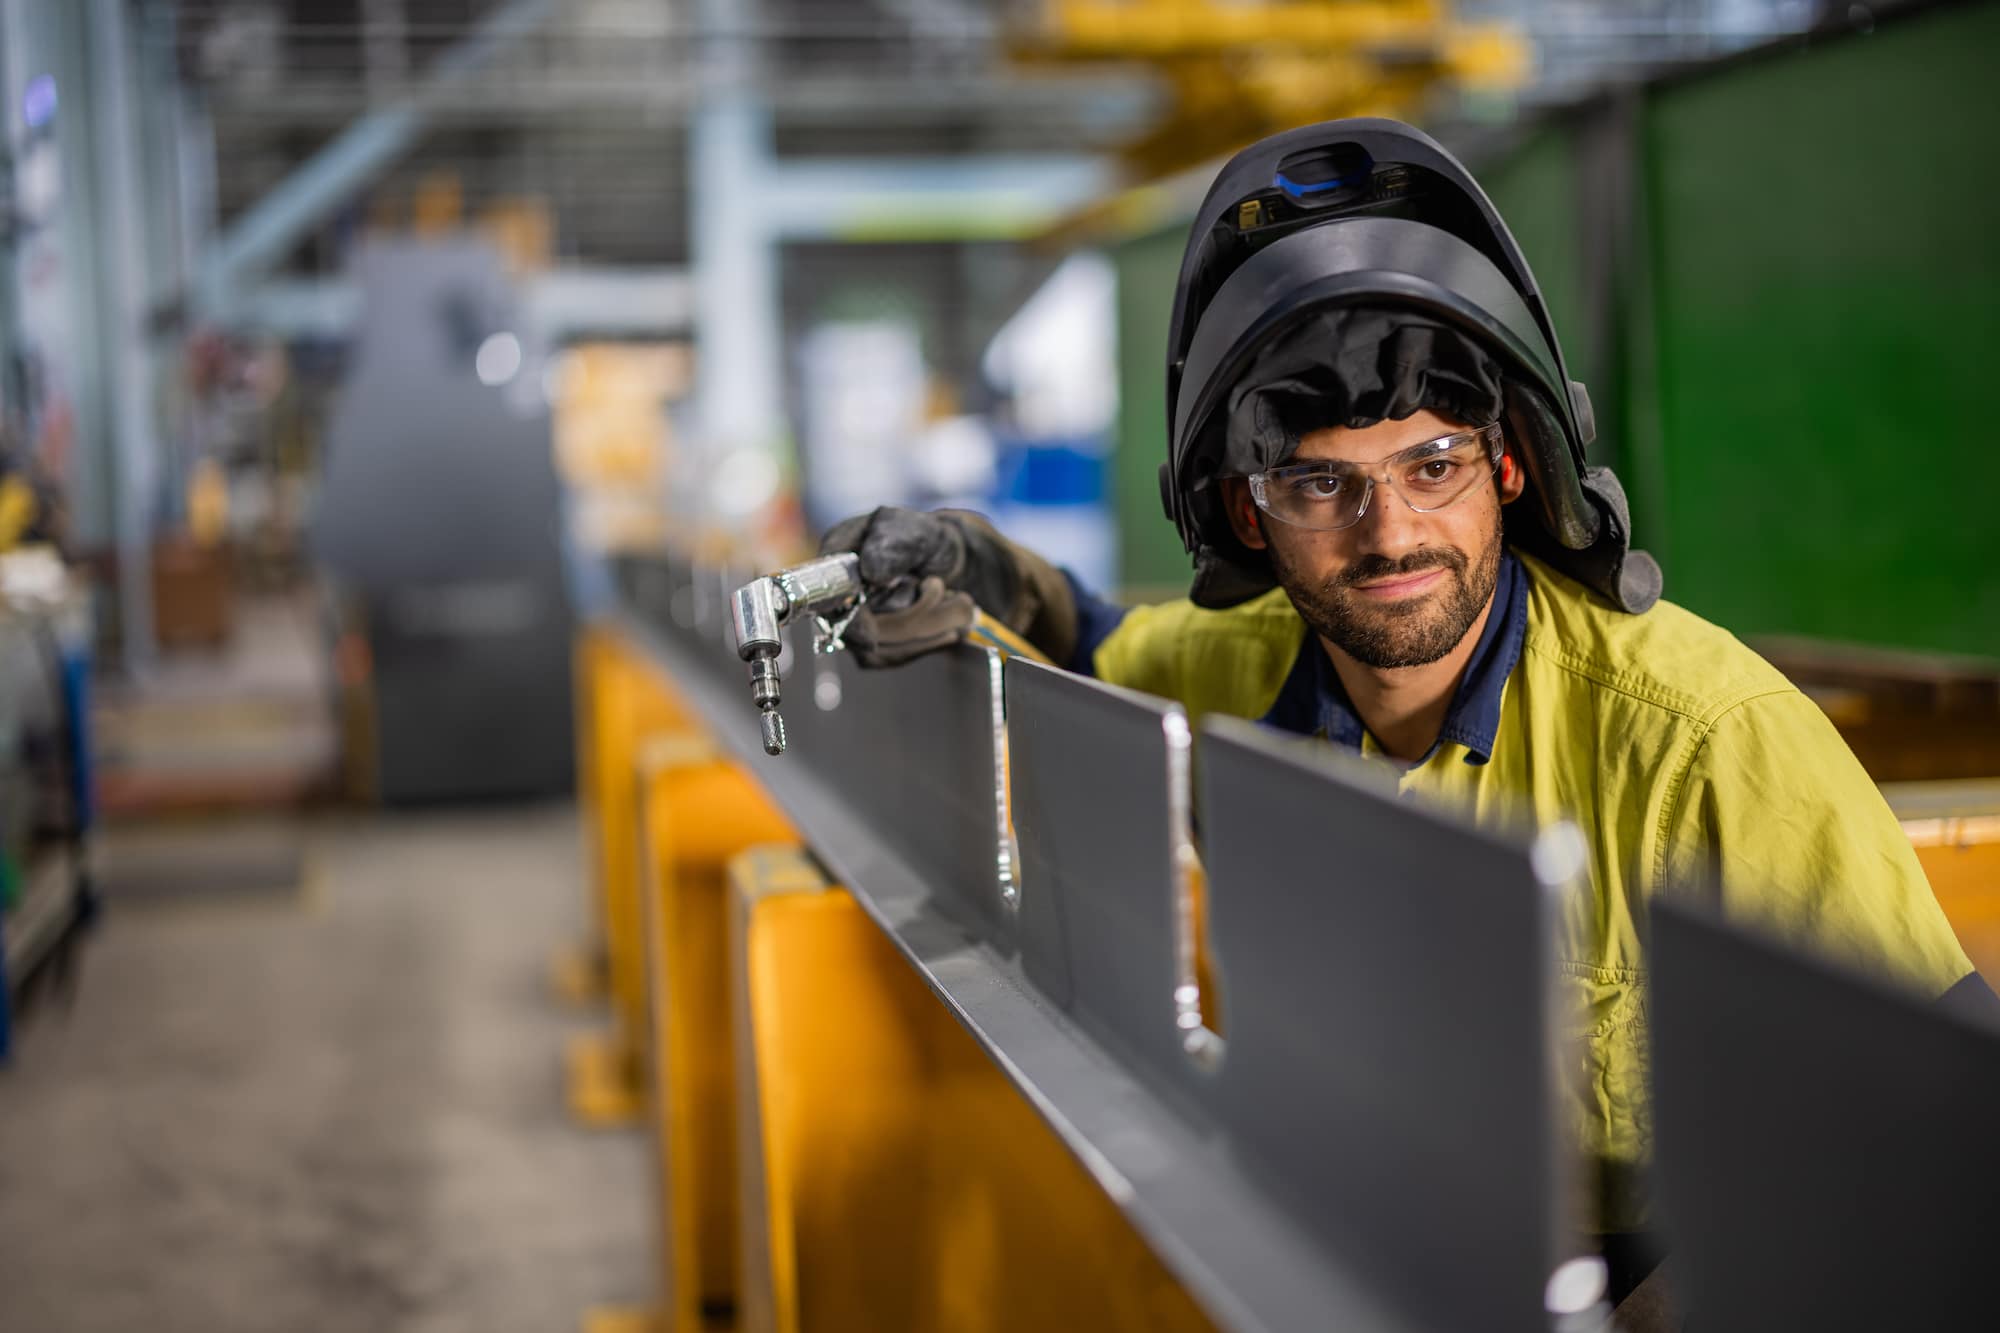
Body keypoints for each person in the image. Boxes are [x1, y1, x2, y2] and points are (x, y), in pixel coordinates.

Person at [818, 118, 1991, 1296]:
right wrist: (965, 562)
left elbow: (1949, 1149)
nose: (1389, 536)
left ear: (1509, 467)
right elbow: (1080, 633)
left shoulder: (1708, 742)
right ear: (1245, 514)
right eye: (1323, 482)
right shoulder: (1234, 674)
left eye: (1432, 465)